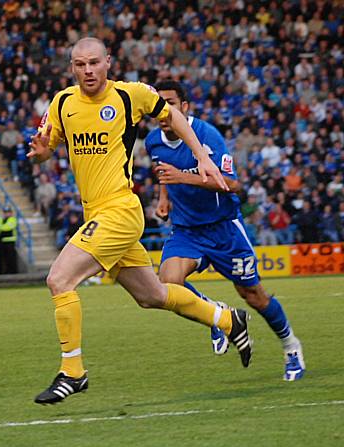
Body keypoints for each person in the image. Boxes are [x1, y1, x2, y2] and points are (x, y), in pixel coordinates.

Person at [27, 38, 252, 405]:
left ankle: (73, 372)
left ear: (108, 63)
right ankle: (228, 320)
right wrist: (39, 155)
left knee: (59, 279)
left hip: (119, 211)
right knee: (154, 296)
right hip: (95, 212)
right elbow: (47, 146)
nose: (88, 71)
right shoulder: (63, 103)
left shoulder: (130, 96)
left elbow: (173, 116)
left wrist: (203, 158)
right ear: (72, 67)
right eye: (80, 64)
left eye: (94, 63)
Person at [145, 79, 305, 381]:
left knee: (253, 296)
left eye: (171, 104)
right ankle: (216, 315)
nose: (164, 111)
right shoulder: (153, 141)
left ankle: (291, 346)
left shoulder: (207, 136)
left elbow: (231, 184)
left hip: (223, 229)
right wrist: (164, 198)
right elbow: (162, 172)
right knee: (168, 284)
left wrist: (182, 177)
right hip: (186, 230)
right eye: (159, 104)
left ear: (185, 107)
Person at [0, 205, 17, 274]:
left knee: (11, 258)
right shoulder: (1, 220)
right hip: (3, 242)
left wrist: (1, 227)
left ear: (11, 213)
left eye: (8, 212)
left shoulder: (12, 219)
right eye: (5, 212)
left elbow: (7, 227)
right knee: (5, 258)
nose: (6, 214)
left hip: (10, 241)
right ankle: (7, 271)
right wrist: (2, 227)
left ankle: (13, 271)